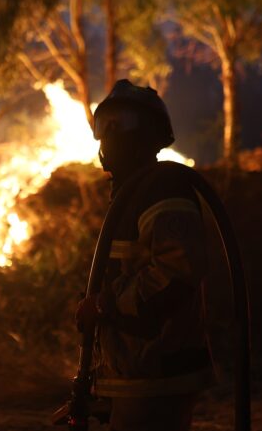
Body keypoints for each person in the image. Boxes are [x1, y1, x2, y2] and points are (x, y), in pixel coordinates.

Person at [75, 79, 213, 431]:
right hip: (137, 373)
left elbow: (174, 273)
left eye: (121, 125)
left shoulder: (164, 188)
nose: (110, 137)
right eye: (104, 127)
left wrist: (105, 304)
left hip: (159, 372)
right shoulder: (132, 191)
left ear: (149, 135)